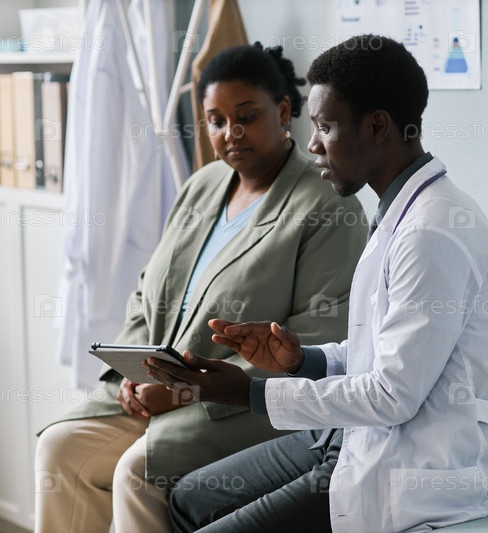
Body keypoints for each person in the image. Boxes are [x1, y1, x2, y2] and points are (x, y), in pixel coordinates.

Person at [147, 34, 488, 532]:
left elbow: (391, 395)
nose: (312, 144)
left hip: (418, 463)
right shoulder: (398, 213)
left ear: (377, 126)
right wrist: (302, 360)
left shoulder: (432, 232)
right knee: (188, 498)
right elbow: (382, 353)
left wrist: (249, 392)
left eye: (324, 126)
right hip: (355, 434)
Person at [34, 43, 367, 533]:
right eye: (215, 121)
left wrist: (187, 391)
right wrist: (131, 372)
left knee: (137, 474)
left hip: (237, 405)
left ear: (282, 111)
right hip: (153, 390)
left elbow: (312, 342)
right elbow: (147, 293)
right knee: (60, 450)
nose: (230, 133)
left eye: (246, 116)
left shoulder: (325, 206)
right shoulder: (203, 185)